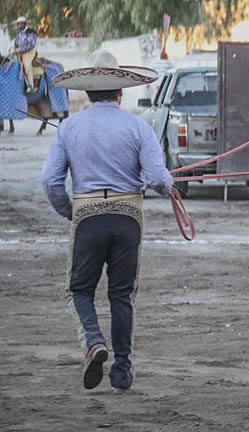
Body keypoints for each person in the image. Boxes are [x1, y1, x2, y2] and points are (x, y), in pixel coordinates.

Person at [41, 49, 172, 393]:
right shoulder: (138, 126)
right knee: (121, 295)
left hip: (87, 217)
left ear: (87, 92)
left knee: (79, 290)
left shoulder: (69, 127)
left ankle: (93, 341)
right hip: (128, 218)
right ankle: (123, 371)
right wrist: (167, 185)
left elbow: (51, 181)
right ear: (120, 91)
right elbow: (159, 179)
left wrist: (68, 210)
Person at [12, 16, 38, 93]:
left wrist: (21, 50)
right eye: (18, 24)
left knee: (27, 65)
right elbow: (16, 44)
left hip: (29, 52)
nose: (19, 26)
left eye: (21, 24)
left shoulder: (32, 32)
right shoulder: (19, 34)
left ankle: (31, 86)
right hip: (19, 53)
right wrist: (15, 50)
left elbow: (31, 45)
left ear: (25, 24)